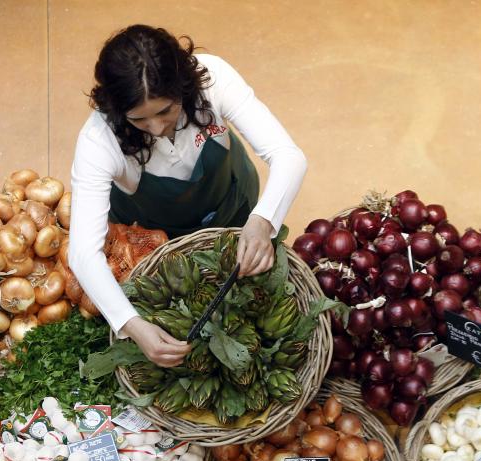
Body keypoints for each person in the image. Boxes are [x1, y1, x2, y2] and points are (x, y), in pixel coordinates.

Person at [68, 24, 307, 368]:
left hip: (231, 199)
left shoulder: (214, 78)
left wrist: (262, 221)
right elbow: (82, 252)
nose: (155, 127)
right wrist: (130, 324)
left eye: (165, 111)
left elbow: (288, 155)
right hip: (156, 232)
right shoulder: (98, 139)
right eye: (139, 118)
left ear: (183, 87)